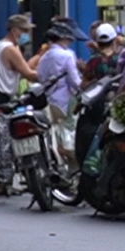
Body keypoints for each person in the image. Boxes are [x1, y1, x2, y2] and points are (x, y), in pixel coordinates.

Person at [37, 19, 86, 168]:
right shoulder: (67, 55)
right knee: (69, 133)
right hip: (67, 101)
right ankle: (72, 165)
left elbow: (40, 78)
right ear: (64, 38)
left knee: (55, 133)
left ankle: (57, 164)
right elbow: (76, 82)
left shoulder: (44, 57)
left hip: (49, 101)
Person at [0, 15, 40, 110]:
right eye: (24, 31)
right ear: (14, 30)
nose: (27, 34)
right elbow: (28, 74)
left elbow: (19, 71)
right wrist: (49, 74)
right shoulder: (10, 49)